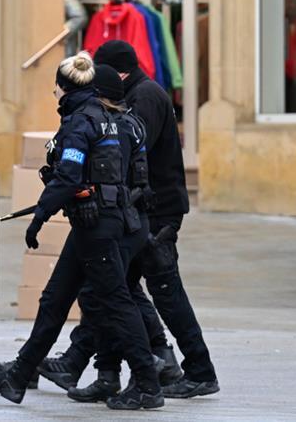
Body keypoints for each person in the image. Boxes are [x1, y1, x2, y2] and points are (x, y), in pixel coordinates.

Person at [0, 52, 164, 410]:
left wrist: (40, 216)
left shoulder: (82, 122)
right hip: (100, 224)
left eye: (55, 87)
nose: (54, 93)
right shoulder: (119, 120)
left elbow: (67, 178)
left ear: (64, 87)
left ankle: (148, 385)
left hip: (99, 227)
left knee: (115, 302)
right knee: (54, 300)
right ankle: (17, 378)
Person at [41, 40, 219, 399]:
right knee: (113, 289)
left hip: (156, 213)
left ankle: (197, 370)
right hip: (137, 210)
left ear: (118, 73)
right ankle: (103, 368)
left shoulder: (144, 98)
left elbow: (126, 153)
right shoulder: (135, 94)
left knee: (162, 292)